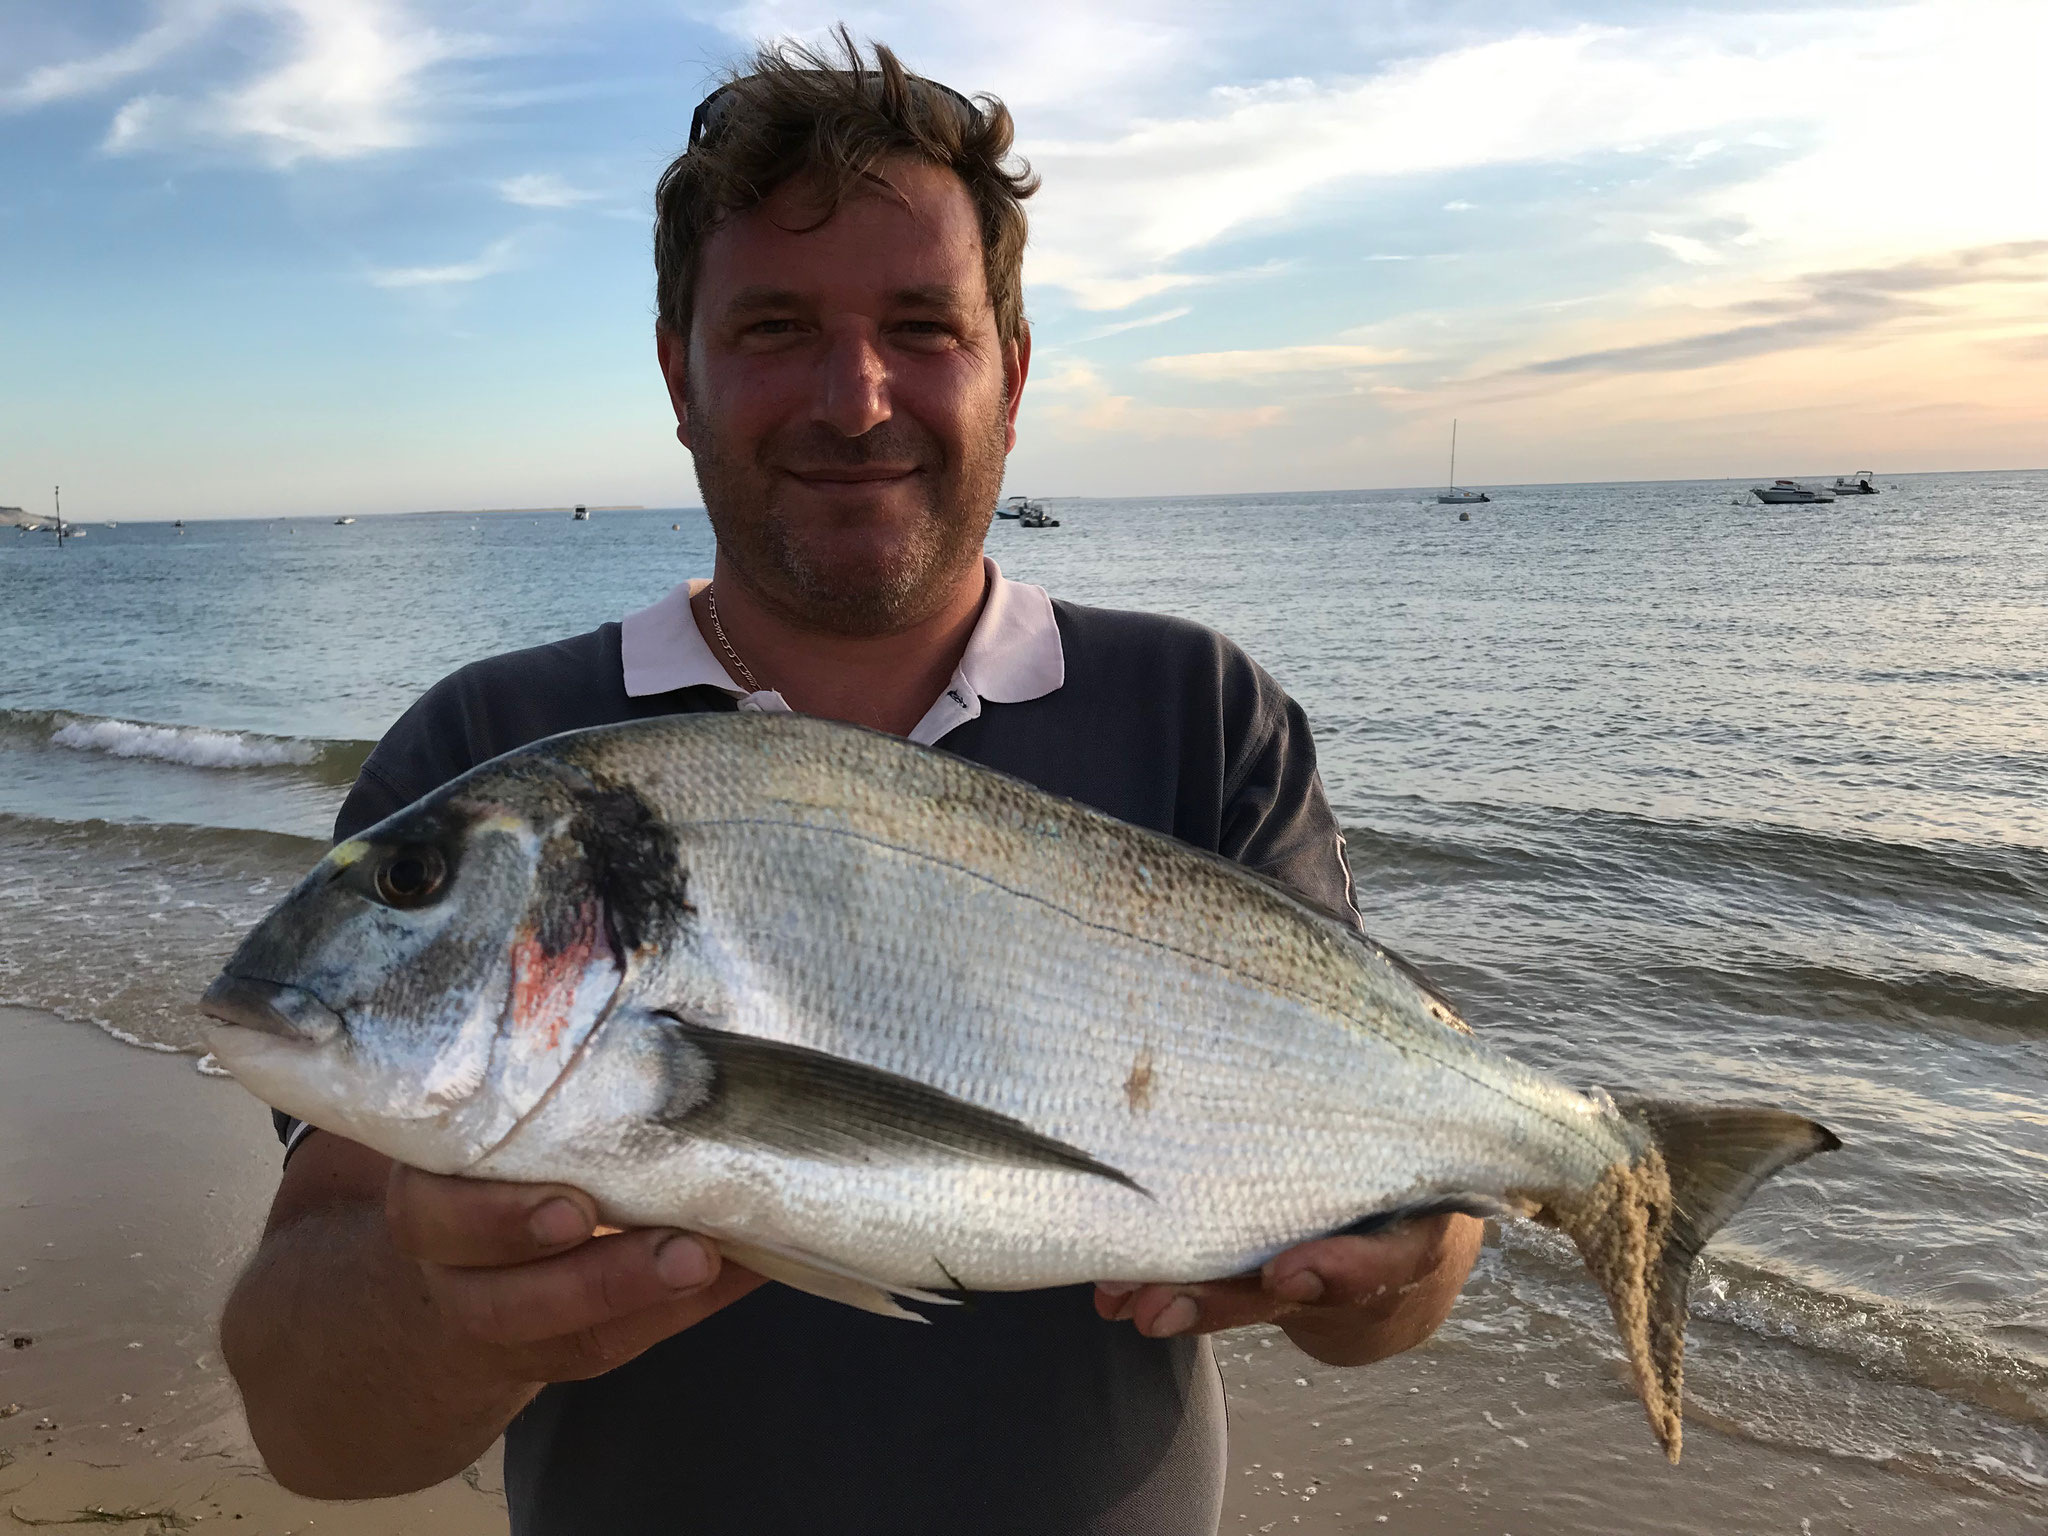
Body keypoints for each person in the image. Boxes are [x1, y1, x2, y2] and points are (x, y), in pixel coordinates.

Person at [219, 33, 1482, 1536]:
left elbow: (1396, 1240)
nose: (855, 396)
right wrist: (438, 1311)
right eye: (769, 328)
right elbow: (312, 1429)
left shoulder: (1200, 712)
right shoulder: (502, 751)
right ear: (679, 379)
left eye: (920, 325)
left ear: (1010, 376)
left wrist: (1406, 1265)